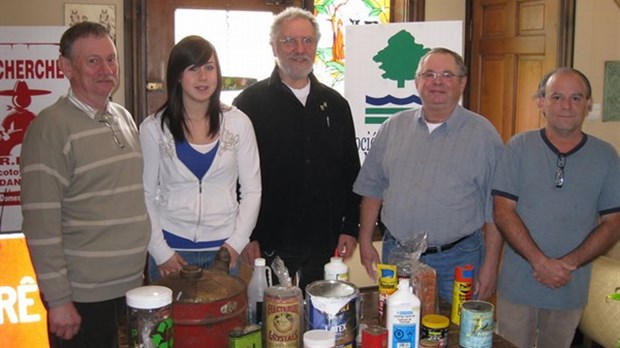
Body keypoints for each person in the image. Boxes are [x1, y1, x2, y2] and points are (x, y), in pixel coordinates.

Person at [20, 22, 150, 347]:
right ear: (66, 67)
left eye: (111, 58)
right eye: (93, 61)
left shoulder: (123, 116)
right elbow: (40, 224)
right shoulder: (49, 129)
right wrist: (59, 300)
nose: (106, 69)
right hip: (82, 299)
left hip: (130, 290)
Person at [353, 47, 504, 302]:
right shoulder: (393, 126)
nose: (437, 81)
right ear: (417, 82)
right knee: (397, 326)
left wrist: (490, 266)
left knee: (455, 334)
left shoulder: (483, 135)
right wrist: (366, 241)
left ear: (462, 83)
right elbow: (372, 188)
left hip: (457, 261)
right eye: (429, 74)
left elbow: (496, 209)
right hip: (396, 255)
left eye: (447, 75)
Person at [233, 7, 360, 292]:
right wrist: (245, 236)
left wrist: (350, 228)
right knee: (276, 328)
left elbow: (351, 172)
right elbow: (235, 177)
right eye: (288, 41)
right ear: (273, 47)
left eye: (307, 41)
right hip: (268, 243)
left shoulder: (336, 105)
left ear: (316, 46)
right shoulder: (249, 104)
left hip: (325, 244)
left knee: (323, 323)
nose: (299, 49)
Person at [492, 67, 620, 347]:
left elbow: (613, 223)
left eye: (576, 98)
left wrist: (566, 265)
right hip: (518, 285)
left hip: (569, 286)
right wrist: (540, 261)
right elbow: (502, 211)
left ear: (588, 104)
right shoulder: (518, 148)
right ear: (541, 102)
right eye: (557, 97)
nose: (566, 106)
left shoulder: (606, 156)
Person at [140, 35, 261, 282]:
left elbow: (252, 191)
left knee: (227, 321)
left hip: (224, 252)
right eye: (193, 69)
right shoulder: (153, 128)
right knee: (169, 322)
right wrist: (160, 252)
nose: (203, 77)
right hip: (171, 251)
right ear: (177, 75)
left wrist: (236, 244)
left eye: (209, 67)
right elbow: (145, 193)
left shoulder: (238, 123)